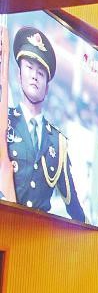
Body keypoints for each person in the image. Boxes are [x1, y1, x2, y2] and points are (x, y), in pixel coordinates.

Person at [4, 27, 85, 220]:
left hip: (39, 235)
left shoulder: (58, 142)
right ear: (19, 76)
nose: (34, 76)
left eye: (41, 73)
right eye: (29, 68)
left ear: (47, 88)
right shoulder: (4, 122)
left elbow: (73, 204)